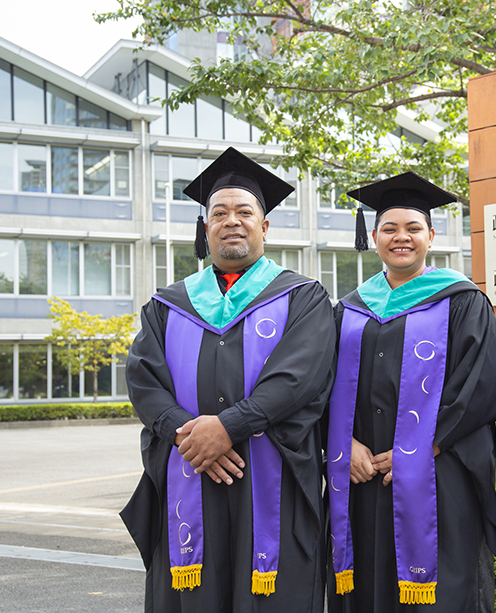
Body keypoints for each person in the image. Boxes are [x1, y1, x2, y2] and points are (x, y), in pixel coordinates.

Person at [121, 147, 335, 613]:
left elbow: (298, 378)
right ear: (205, 228)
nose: (231, 221)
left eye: (244, 212)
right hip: (189, 468)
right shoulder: (168, 305)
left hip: (271, 477)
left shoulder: (303, 298)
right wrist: (188, 435)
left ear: (265, 226)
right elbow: (142, 379)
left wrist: (226, 428)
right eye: (219, 212)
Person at [327, 172, 496, 613]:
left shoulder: (462, 300)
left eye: (412, 228)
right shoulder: (347, 309)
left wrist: (422, 446)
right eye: (389, 228)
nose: (400, 237)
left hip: (437, 475)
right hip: (362, 476)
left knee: (442, 592)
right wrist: (343, 444)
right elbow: (319, 387)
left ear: (430, 235)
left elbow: (480, 386)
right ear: (373, 237)